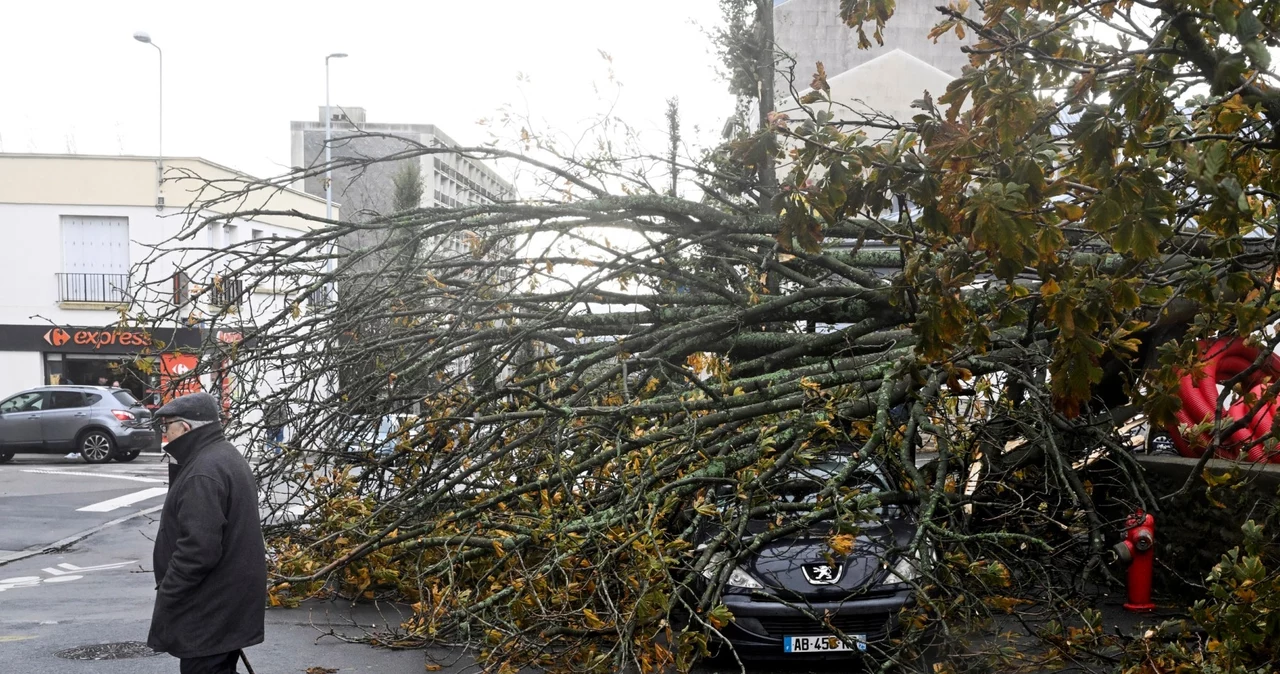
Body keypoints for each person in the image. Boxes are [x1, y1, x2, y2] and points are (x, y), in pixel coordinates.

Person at [148, 392, 265, 673]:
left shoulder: (203, 470)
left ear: (185, 428)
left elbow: (198, 550)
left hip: (210, 604)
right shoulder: (221, 455)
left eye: (168, 427)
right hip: (224, 599)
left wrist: (169, 592)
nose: (165, 435)